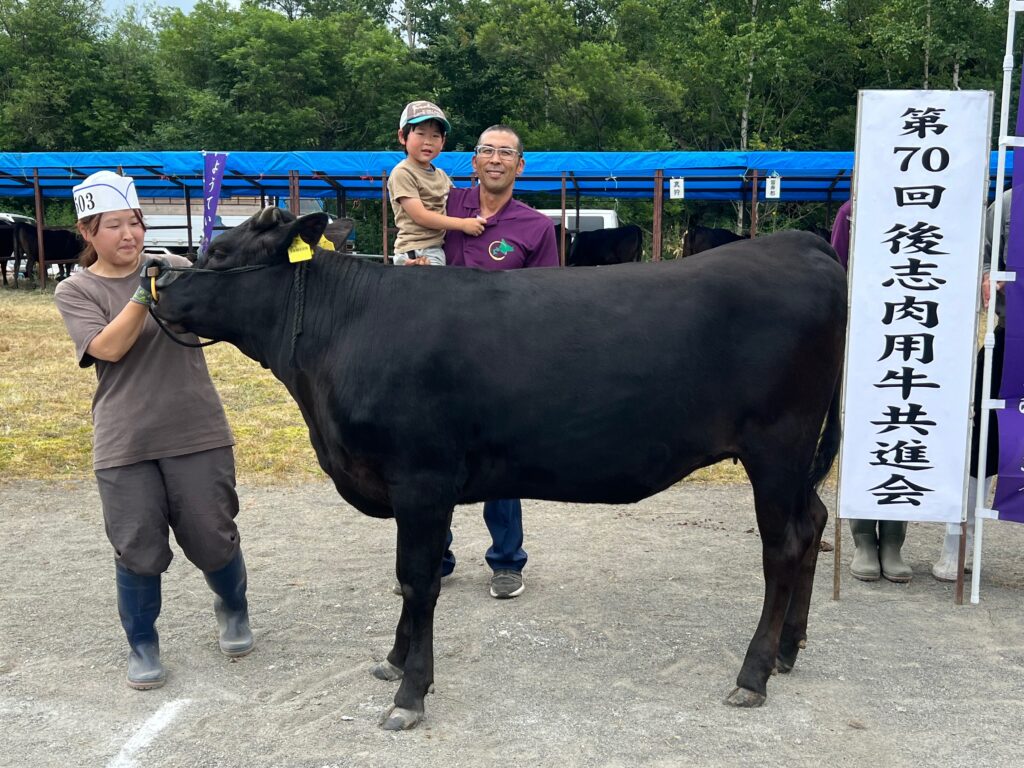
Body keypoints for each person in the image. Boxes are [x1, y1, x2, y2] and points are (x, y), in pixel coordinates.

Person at [54, 171, 253, 690]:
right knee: (137, 544)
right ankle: (142, 643)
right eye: (114, 226)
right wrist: (145, 293)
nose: (129, 235)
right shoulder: (77, 289)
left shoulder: (178, 269)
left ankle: (233, 607)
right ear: (87, 232)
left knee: (213, 535)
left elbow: (223, 318)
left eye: (135, 223)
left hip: (196, 428)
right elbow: (109, 348)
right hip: (125, 439)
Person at [438, 125, 559, 598]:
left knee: (501, 465)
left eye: (505, 152)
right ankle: (435, 555)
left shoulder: (536, 227)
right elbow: (411, 241)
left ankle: (507, 560)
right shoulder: (445, 209)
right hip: (436, 361)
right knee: (431, 460)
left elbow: (548, 303)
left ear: (519, 165)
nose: (495, 159)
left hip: (501, 367)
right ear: (473, 161)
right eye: (486, 150)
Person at [831, 198, 913, 583]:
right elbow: (835, 273)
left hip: (917, 337)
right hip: (867, 338)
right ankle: (864, 535)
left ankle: (894, 538)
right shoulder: (854, 210)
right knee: (867, 431)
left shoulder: (933, 209)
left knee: (907, 429)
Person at [931, 189, 1010, 581]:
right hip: (1012, 336)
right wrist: (985, 276)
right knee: (982, 442)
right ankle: (958, 541)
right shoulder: (1010, 204)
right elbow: (980, 254)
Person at [387, 100, 485, 266]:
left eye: (435, 136)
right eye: (421, 133)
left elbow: (458, 203)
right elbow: (420, 216)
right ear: (402, 137)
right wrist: (463, 224)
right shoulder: (402, 173)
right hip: (417, 251)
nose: (428, 141)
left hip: (437, 247)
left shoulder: (440, 175)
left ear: (443, 142)